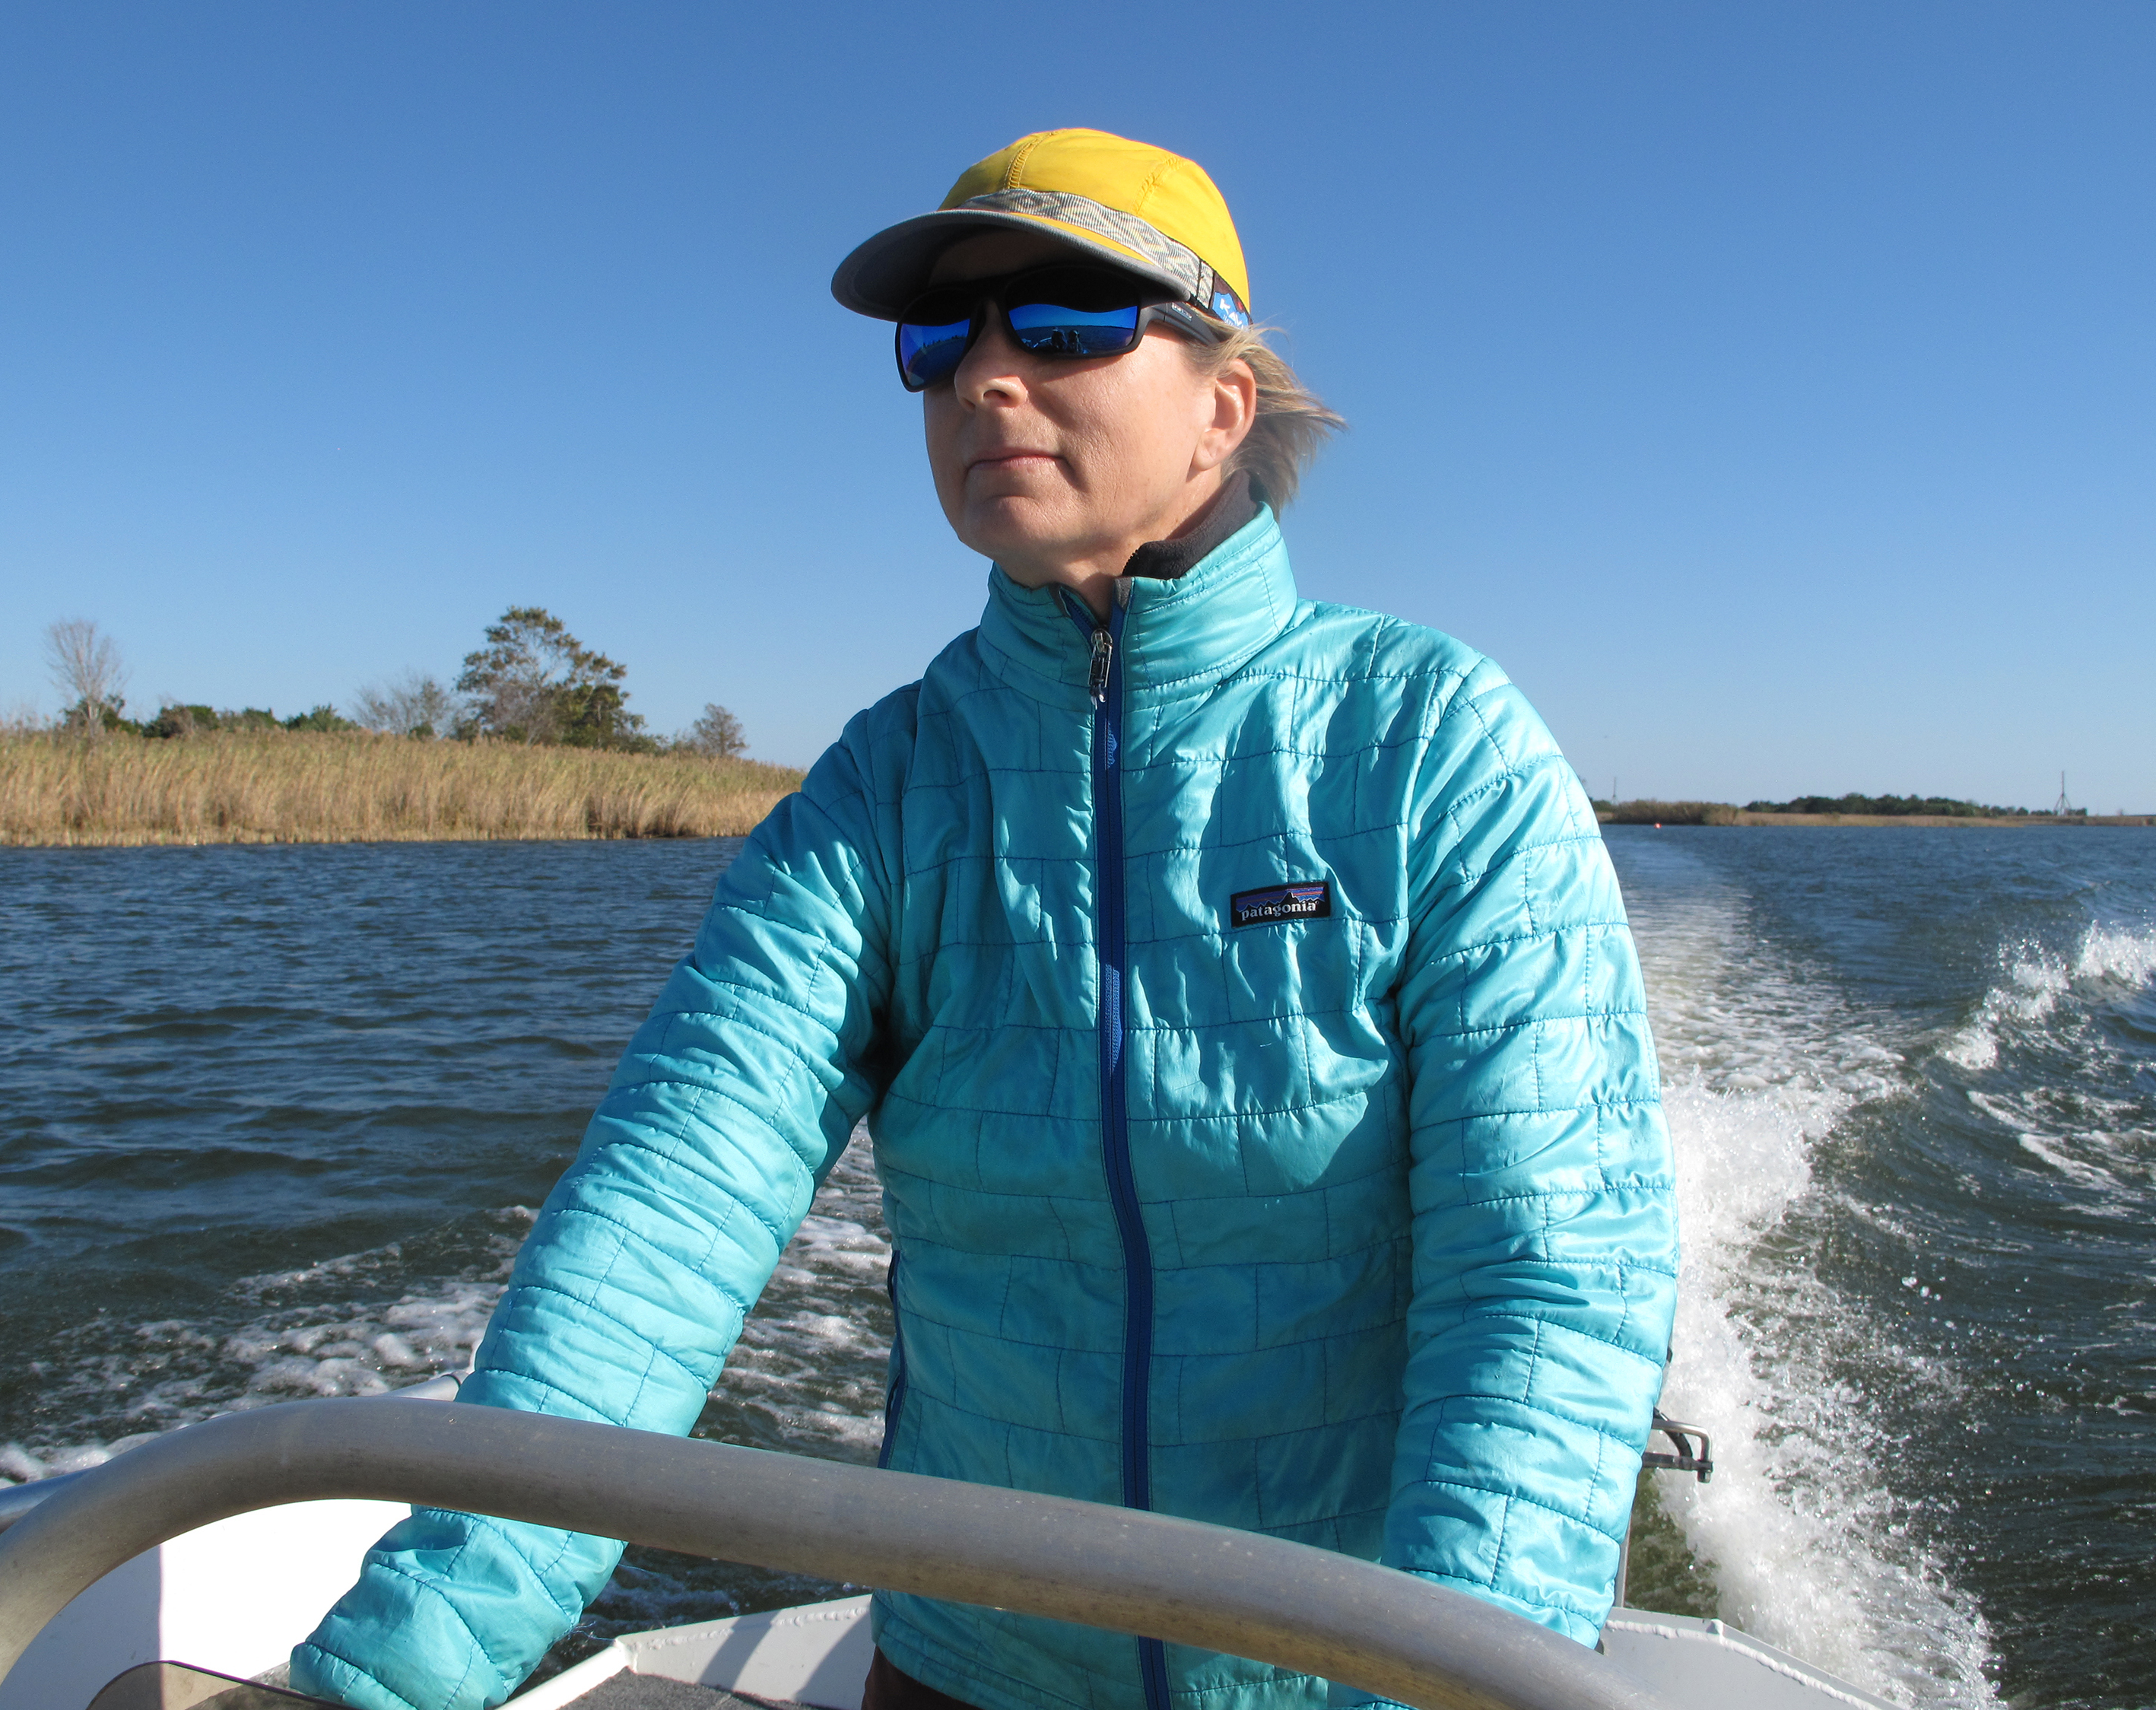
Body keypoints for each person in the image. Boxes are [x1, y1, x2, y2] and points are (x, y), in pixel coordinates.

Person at [292, 128, 1678, 1710]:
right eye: (941, 339)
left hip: (1330, 1682)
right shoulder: (890, 787)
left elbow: (1546, 1273)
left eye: (1070, 319)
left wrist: (1448, 1681)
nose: (987, 378)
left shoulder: (1428, 740)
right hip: (966, 1670)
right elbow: (659, 1226)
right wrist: (387, 1678)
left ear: (1223, 407)